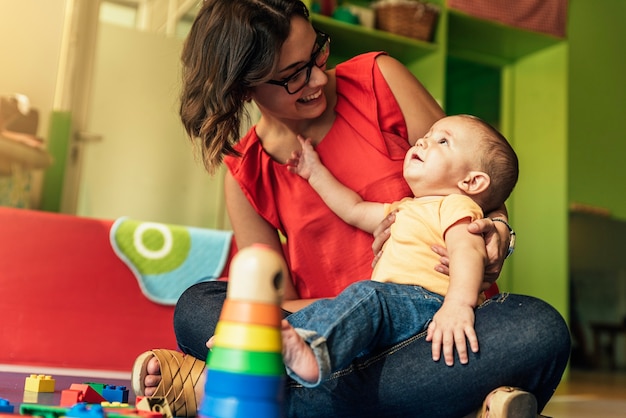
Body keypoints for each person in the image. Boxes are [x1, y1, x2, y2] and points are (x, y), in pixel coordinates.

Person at [131, 1, 570, 417]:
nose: (318, 79)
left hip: (436, 327)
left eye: (317, 54)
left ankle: (240, 392)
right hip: (323, 334)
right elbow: (273, 303)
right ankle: (451, 404)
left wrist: (498, 233)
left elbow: (474, 173)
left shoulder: (380, 79)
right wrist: (354, 314)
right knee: (198, 305)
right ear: (244, 90)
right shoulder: (247, 173)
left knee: (539, 330)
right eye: (293, 76)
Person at [280, 114, 519, 386]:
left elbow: (468, 251)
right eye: (428, 134)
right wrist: (314, 172)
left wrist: (458, 304)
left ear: (471, 182)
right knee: (336, 306)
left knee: (366, 296)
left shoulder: (457, 206)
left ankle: (311, 354)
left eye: (442, 141)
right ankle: (260, 341)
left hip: (432, 304)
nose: (423, 140)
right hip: (396, 307)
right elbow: (353, 209)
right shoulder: (404, 208)